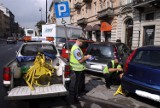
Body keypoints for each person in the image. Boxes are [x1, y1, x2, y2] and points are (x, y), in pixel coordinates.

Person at [69, 37, 91, 102]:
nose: (83, 44)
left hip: (78, 69)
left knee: (79, 83)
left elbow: (80, 57)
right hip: (77, 69)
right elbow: (81, 60)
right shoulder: (76, 49)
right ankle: (75, 98)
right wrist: (87, 57)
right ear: (79, 41)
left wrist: (85, 57)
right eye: (83, 43)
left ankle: (79, 93)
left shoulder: (76, 47)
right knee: (76, 84)